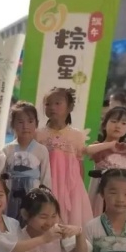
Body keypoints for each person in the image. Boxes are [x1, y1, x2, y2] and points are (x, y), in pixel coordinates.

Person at [36, 87, 92, 226]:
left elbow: (79, 163)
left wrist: (79, 189)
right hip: (47, 184)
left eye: (57, 103)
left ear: (70, 107)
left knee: (71, 222)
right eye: (48, 104)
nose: (52, 107)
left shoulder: (77, 135)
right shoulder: (38, 135)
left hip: (70, 186)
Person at [3, 101, 51, 224]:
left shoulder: (41, 150)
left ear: (36, 124)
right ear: (12, 124)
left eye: (30, 121)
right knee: (11, 223)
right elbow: (1, 178)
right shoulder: (7, 150)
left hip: (33, 194)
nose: (25, 126)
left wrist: (46, 199)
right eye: (20, 122)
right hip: (11, 194)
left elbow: (46, 178)